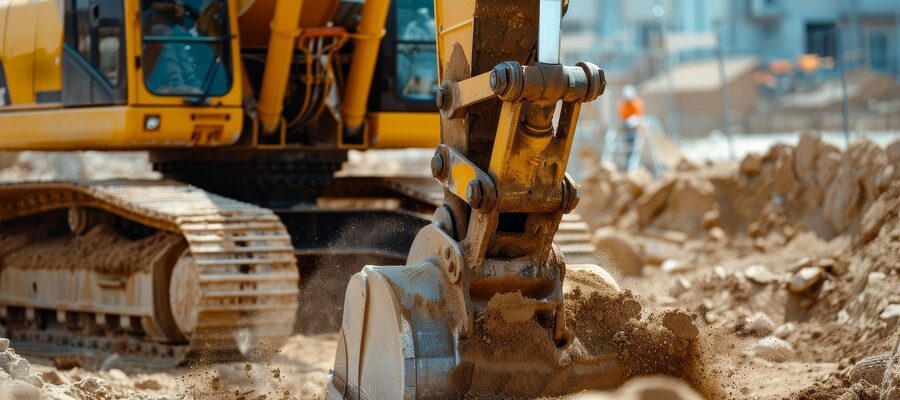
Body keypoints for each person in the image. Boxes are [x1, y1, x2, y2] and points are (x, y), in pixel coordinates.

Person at [617, 85, 644, 169]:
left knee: (635, 147)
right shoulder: (623, 104)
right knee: (627, 147)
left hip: (635, 128)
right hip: (626, 128)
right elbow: (622, 115)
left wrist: (635, 122)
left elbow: (638, 115)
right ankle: (628, 164)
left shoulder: (636, 103)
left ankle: (635, 165)